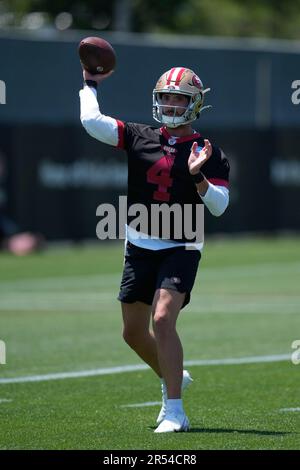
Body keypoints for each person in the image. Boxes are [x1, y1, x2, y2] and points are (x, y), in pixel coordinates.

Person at [79, 66, 230, 433]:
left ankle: (175, 409)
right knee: (132, 333)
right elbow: (90, 120)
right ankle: (175, 373)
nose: (171, 104)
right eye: (165, 97)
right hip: (139, 243)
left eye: (179, 98)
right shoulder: (137, 135)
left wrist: (198, 176)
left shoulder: (207, 150)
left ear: (195, 104)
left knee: (162, 319)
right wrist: (89, 84)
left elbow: (220, 205)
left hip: (182, 243)